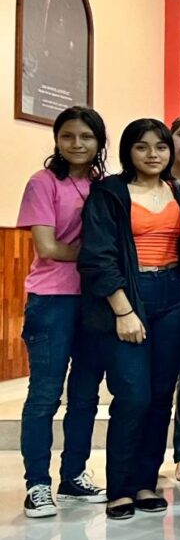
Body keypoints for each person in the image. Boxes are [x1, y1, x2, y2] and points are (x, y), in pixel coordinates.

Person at [80, 119, 180, 519]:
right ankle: (121, 487)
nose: (152, 154)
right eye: (142, 146)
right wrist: (123, 310)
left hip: (174, 297)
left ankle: (146, 482)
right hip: (130, 296)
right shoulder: (109, 193)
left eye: (160, 146)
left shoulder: (176, 191)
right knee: (133, 395)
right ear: (128, 151)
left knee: (161, 395)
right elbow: (98, 256)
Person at [19, 106, 108, 518]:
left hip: (94, 300)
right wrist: (98, 258)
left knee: (86, 395)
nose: (77, 144)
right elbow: (48, 247)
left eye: (86, 137)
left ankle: (73, 476)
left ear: (99, 142)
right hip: (52, 299)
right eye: (68, 136)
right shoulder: (43, 182)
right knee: (44, 395)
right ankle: (37, 484)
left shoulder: (103, 184)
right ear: (56, 140)